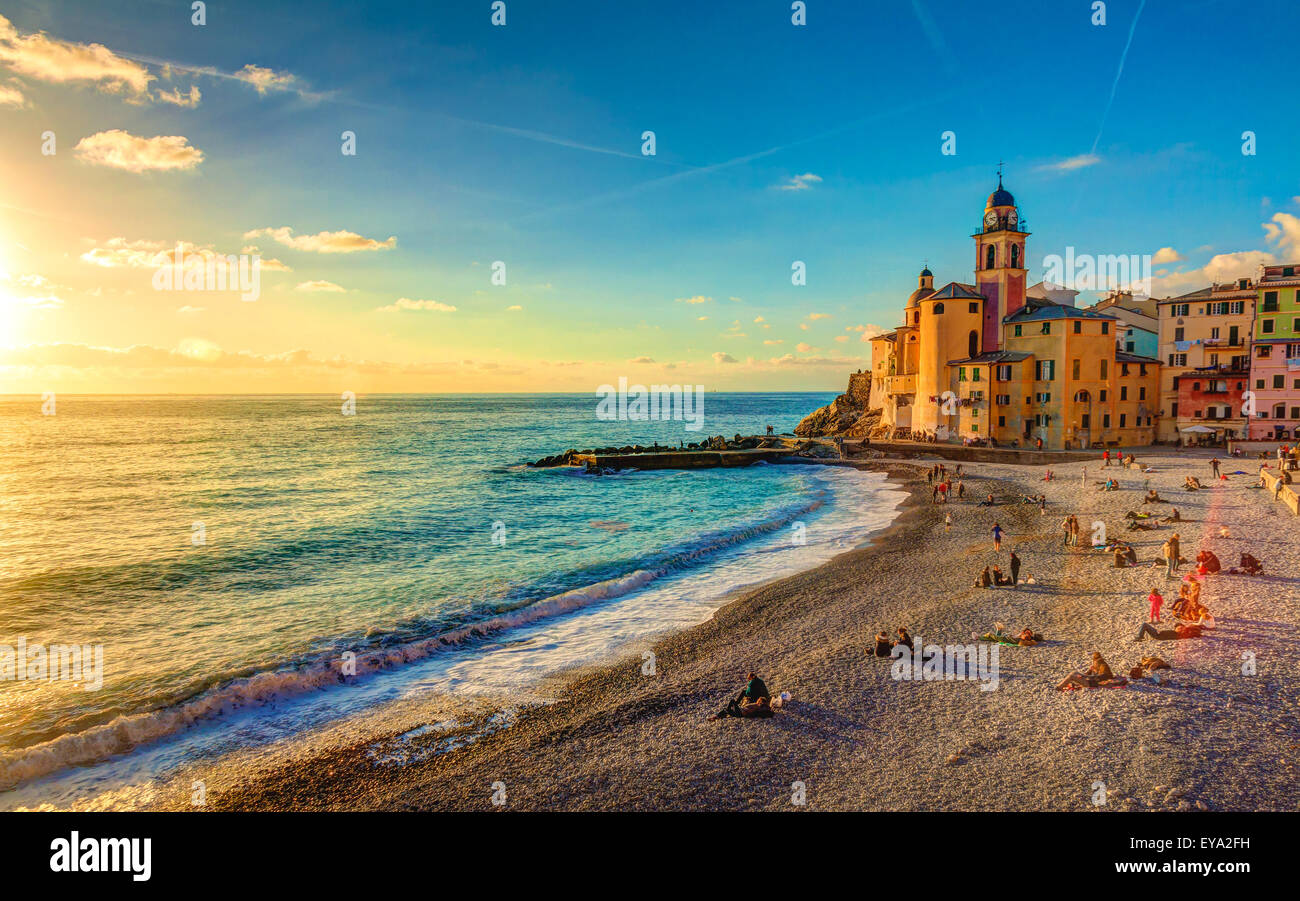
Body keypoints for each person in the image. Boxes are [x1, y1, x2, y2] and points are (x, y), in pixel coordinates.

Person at [1134, 621, 1202, 642]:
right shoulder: (1181, 633)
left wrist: (1160, 631)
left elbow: (1163, 634)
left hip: (1158, 635)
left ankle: (1140, 637)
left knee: (1144, 624)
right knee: (1145, 626)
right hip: (1159, 634)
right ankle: (1141, 636)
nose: (1177, 628)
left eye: (1178, 627)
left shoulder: (1178, 632)